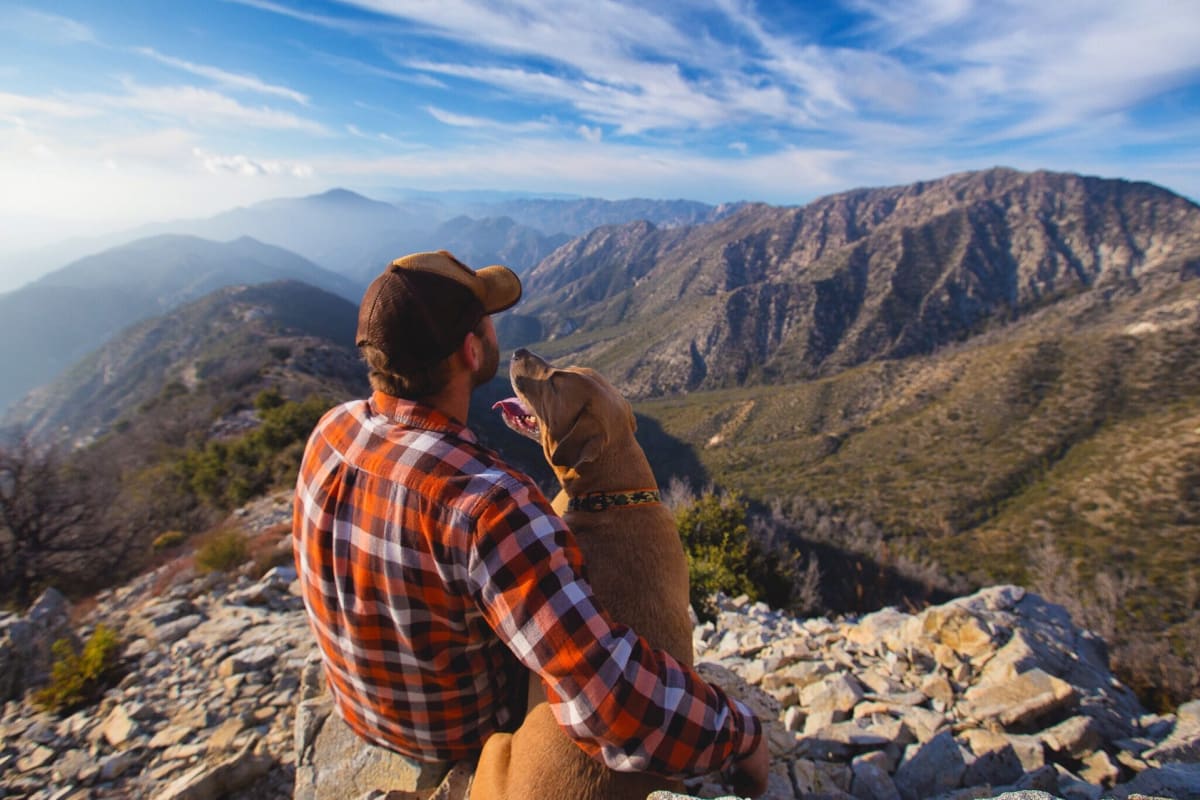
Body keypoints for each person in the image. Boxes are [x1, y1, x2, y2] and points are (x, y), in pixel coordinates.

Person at [292, 250, 769, 795]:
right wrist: (741, 734)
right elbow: (612, 704)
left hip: (362, 710)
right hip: (457, 734)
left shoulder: (330, 430)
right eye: (485, 319)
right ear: (472, 350)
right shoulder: (490, 504)